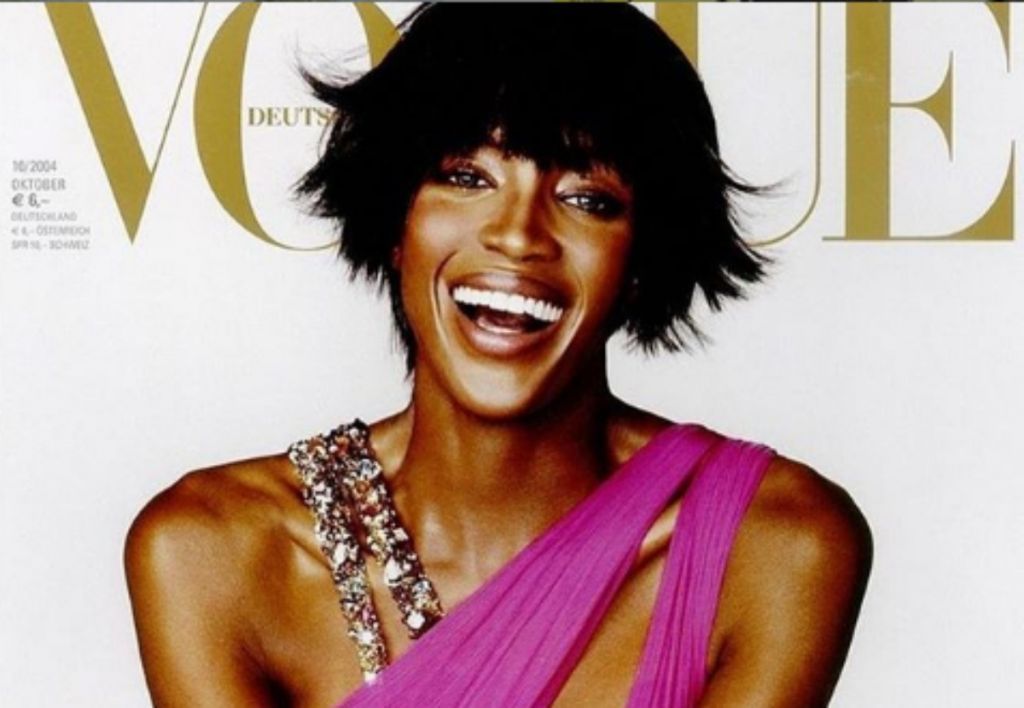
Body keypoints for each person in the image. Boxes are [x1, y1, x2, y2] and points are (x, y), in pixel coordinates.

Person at [125, 4, 872, 706]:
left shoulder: (775, 544)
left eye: (588, 198)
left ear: (644, 261)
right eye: (466, 177)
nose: (517, 235)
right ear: (394, 225)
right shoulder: (213, 550)